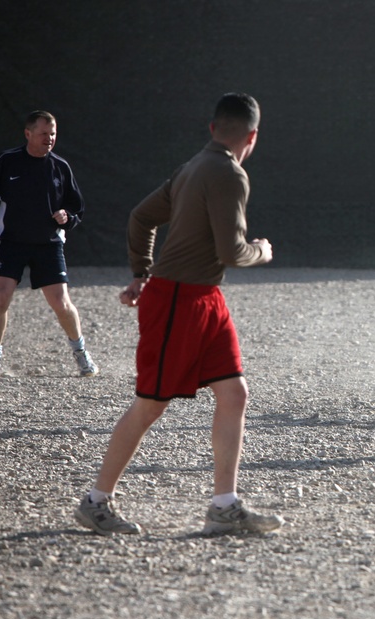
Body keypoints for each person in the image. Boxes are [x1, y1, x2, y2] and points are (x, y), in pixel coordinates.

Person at [74, 93, 283, 537]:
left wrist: (139, 273)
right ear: (254, 136)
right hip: (177, 302)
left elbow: (139, 218)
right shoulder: (229, 173)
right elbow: (233, 251)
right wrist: (261, 252)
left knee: (234, 393)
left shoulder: (190, 168)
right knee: (150, 404)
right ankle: (95, 501)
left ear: (212, 129)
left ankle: (223, 507)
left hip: (203, 298)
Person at [0, 110, 98, 378]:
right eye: (43, 134)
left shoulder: (60, 166)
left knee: (61, 303)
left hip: (48, 244)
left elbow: (76, 207)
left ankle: (81, 354)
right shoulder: (7, 161)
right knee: (0, 297)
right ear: (28, 134)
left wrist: (67, 217)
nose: (49, 139)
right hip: (12, 242)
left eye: (53, 134)